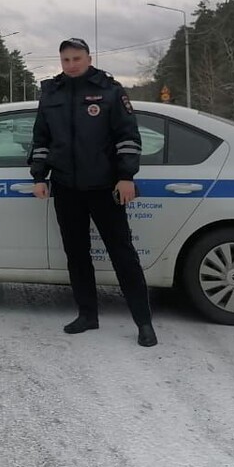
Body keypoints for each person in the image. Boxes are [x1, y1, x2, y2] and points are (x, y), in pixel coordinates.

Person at [28, 38, 157, 347]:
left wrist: (126, 177)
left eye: (77, 58)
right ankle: (87, 315)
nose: (71, 64)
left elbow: (128, 136)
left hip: (104, 187)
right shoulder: (51, 93)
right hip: (66, 187)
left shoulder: (110, 90)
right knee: (76, 254)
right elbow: (41, 138)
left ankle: (144, 323)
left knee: (122, 255)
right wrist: (39, 176)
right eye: (66, 59)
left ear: (88, 58)